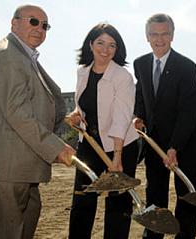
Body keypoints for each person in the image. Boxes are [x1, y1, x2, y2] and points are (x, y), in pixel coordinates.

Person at [0, 4, 75, 239]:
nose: (40, 28)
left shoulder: (23, 55)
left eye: (45, 25)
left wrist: (64, 116)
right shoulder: (7, 55)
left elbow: (30, 102)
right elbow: (17, 112)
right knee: (7, 231)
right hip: (5, 164)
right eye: (33, 21)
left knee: (28, 218)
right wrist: (56, 147)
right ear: (14, 23)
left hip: (21, 163)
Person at [133, 13, 196, 239]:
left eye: (164, 34)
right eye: (154, 34)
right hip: (155, 144)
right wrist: (138, 116)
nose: (159, 39)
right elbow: (142, 96)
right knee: (155, 196)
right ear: (147, 36)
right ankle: (153, 235)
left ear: (172, 36)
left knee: (187, 198)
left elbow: (189, 111)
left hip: (185, 144)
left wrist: (174, 147)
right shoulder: (141, 64)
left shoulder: (186, 66)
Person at [67, 23, 139, 239]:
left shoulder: (123, 77)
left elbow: (121, 118)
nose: (105, 49)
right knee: (82, 199)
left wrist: (116, 157)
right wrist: (76, 115)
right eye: (100, 43)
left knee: (117, 203)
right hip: (89, 144)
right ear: (90, 44)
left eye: (112, 45)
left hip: (121, 145)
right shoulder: (82, 72)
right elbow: (86, 104)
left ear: (117, 49)